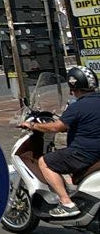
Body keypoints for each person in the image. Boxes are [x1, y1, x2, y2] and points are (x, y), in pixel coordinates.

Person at [20, 66, 100, 218]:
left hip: (83, 153)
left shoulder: (77, 107)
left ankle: (67, 204)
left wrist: (32, 125)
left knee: (45, 162)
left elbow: (56, 127)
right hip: (96, 153)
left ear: (73, 87)